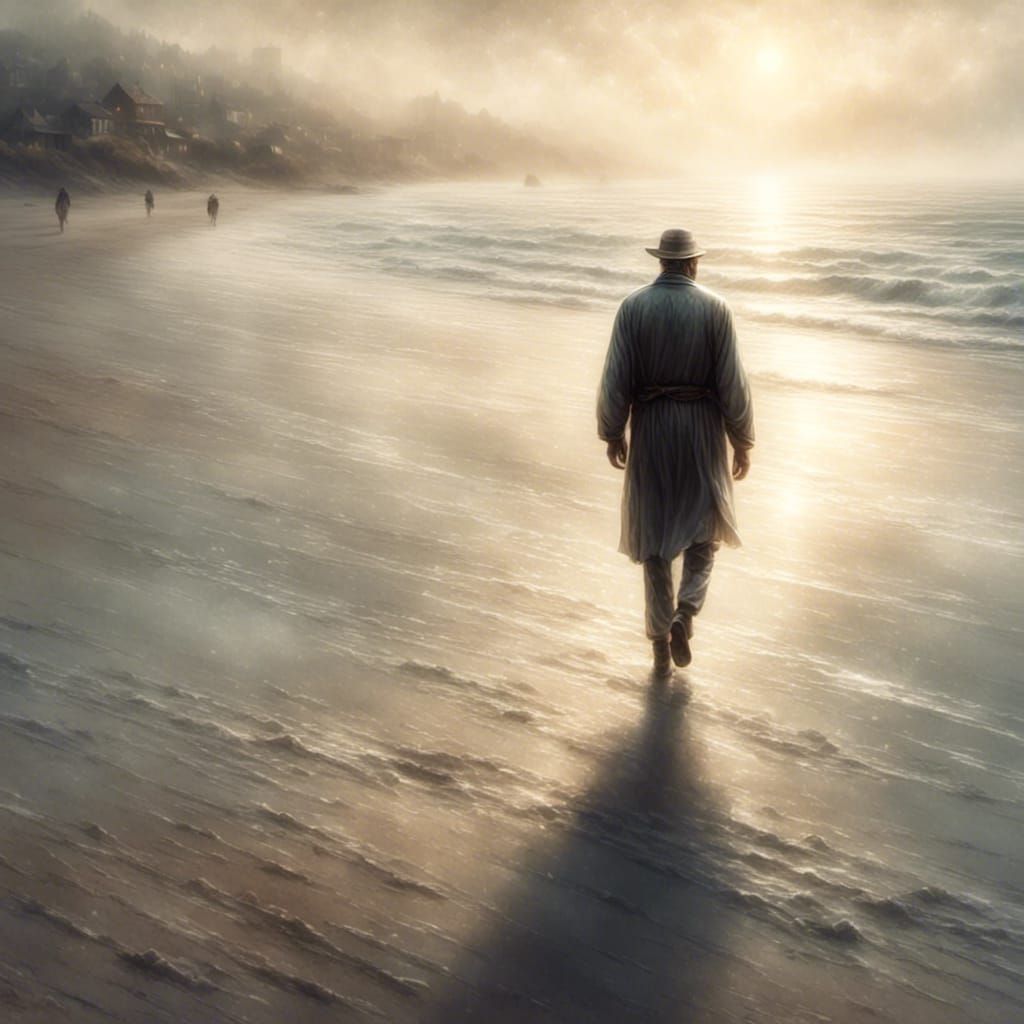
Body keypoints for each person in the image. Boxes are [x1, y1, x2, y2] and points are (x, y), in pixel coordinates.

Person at [597, 228, 754, 678]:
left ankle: (660, 648)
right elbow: (732, 384)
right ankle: (687, 612)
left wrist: (612, 431)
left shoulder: (633, 308)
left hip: (651, 430)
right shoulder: (715, 309)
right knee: (704, 534)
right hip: (702, 430)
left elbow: (615, 379)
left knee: (655, 545)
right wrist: (742, 439)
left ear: (662, 262)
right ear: (693, 264)